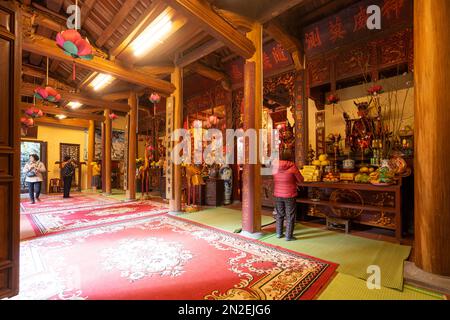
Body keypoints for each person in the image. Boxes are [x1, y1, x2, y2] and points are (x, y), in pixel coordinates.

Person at [272, 149, 304, 241]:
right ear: (290, 157)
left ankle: (278, 233)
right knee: (290, 215)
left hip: (278, 193)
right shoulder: (292, 166)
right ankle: (288, 236)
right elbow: (301, 179)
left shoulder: (275, 166)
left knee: (279, 214)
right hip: (290, 194)